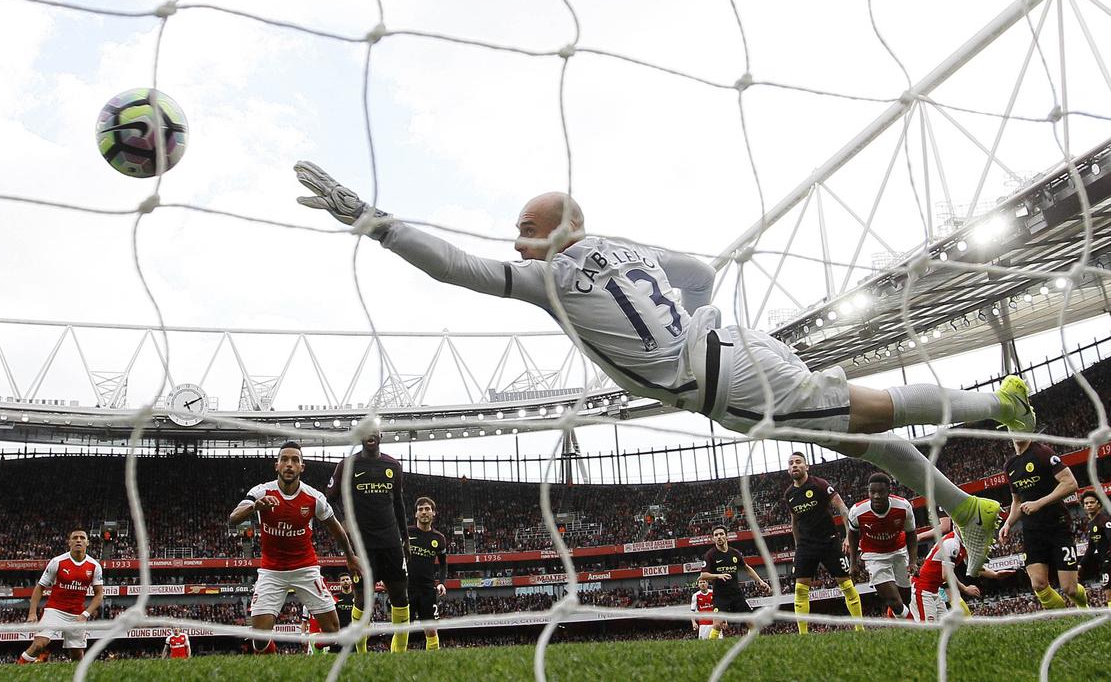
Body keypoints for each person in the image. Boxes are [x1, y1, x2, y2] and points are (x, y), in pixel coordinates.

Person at [293, 162, 1032, 574]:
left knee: (869, 412)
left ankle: (996, 406)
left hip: (721, 383)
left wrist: (372, 222)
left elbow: (454, 267)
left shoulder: (551, 277)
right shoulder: (630, 250)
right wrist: (699, 329)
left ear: (560, 230)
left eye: (525, 231)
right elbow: (700, 273)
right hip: (734, 348)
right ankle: (970, 512)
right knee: (860, 439)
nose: (515, 244)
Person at [228, 442, 361, 655]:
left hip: (305, 568)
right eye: (284, 460)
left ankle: (313, 643)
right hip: (272, 571)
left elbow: (336, 528)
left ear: (302, 467)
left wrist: (350, 556)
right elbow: (234, 518)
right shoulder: (261, 491)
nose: (289, 464)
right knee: (259, 640)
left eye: (295, 460)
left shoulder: (313, 497)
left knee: (333, 630)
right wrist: (256, 506)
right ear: (277, 465)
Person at [326, 432, 411, 653]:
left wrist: (406, 539)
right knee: (363, 601)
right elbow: (330, 499)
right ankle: (361, 652)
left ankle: (399, 654)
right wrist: (343, 522)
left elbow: (399, 503)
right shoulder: (347, 465)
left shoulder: (393, 465)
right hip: (362, 547)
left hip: (391, 543)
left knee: (400, 597)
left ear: (380, 435)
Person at [999, 438, 1087, 609]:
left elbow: (1070, 483)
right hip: (1032, 530)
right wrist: (1008, 523)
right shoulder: (1010, 465)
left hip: (1057, 526)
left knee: (1070, 589)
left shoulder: (1043, 453)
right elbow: (1017, 501)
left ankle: (1085, 609)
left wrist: (1039, 503)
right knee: (1038, 584)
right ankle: (1064, 621)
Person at [784, 452, 861, 633]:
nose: (794, 465)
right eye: (791, 463)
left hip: (829, 542)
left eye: (798, 462)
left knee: (847, 586)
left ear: (807, 466)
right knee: (800, 591)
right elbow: (794, 522)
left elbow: (842, 508)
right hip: (805, 546)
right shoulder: (789, 494)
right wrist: (798, 547)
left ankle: (860, 628)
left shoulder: (819, 485)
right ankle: (803, 635)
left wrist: (849, 536)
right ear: (788, 469)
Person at [18, 530, 103, 663]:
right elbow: (39, 587)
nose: (78, 540)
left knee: (77, 654)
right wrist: (32, 613)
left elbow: (99, 594)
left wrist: (85, 614)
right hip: (54, 611)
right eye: (75, 538)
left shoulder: (94, 566)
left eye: (82, 538)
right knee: (39, 644)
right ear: (69, 542)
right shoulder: (57, 562)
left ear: (87, 542)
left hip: (77, 615)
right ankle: (18, 669)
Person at [847, 472, 917, 618]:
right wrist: (853, 563)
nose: (876, 496)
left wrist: (912, 561)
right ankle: (914, 627)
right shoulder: (857, 511)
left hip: (899, 551)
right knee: (892, 599)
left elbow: (911, 533)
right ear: (868, 492)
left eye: (881, 492)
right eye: (872, 492)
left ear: (889, 492)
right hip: (874, 556)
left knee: (904, 600)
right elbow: (853, 535)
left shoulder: (903, 507)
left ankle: (897, 622)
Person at [910, 529, 1011, 622]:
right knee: (928, 631)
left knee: (943, 628)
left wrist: (995, 574)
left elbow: (975, 566)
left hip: (934, 591)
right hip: (922, 590)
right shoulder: (952, 543)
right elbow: (947, 575)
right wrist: (965, 589)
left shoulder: (962, 544)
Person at [699, 524, 770, 637]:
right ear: (713, 538)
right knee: (717, 624)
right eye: (716, 535)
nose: (719, 537)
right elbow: (703, 575)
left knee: (751, 622)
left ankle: (753, 644)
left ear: (726, 536)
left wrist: (760, 581)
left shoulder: (735, 553)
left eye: (721, 534)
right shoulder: (710, 555)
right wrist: (718, 576)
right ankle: (711, 649)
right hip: (720, 595)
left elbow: (747, 568)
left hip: (736, 594)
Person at [407, 496, 449, 650]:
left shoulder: (439, 538)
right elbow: (394, 555)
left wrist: (442, 582)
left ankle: (434, 663)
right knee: (402, 630)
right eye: (420, 509)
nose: (424, 512)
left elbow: (443, 564)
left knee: (431, 629)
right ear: (416, 514)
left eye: (427, 509)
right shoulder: (406, 533)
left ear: (433, 513)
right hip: (406, 588)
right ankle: (397, 661)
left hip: (427, 589)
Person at [1078, 491, 1110, 607]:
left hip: (1109, 561)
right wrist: (1081, 565)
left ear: (1099, 504)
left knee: (1108, 592)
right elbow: (1091, 548)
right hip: (1104, 562)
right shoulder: (1091, 524)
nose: (1089, 505)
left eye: (1092, 502)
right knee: (1108, 592)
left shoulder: (1105, 520)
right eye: (1086, 503)